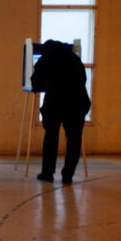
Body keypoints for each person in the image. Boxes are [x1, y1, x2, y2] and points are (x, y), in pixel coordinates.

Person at [31, 39, 91, 184]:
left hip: (55, 103)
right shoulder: (75, 58)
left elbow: (35, 83)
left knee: (51, 136)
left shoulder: (45, 59)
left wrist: (49, 83)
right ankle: (68, 175)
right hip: (78, 102)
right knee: (74, 139)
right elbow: (83, 79)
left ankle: (47, 173)